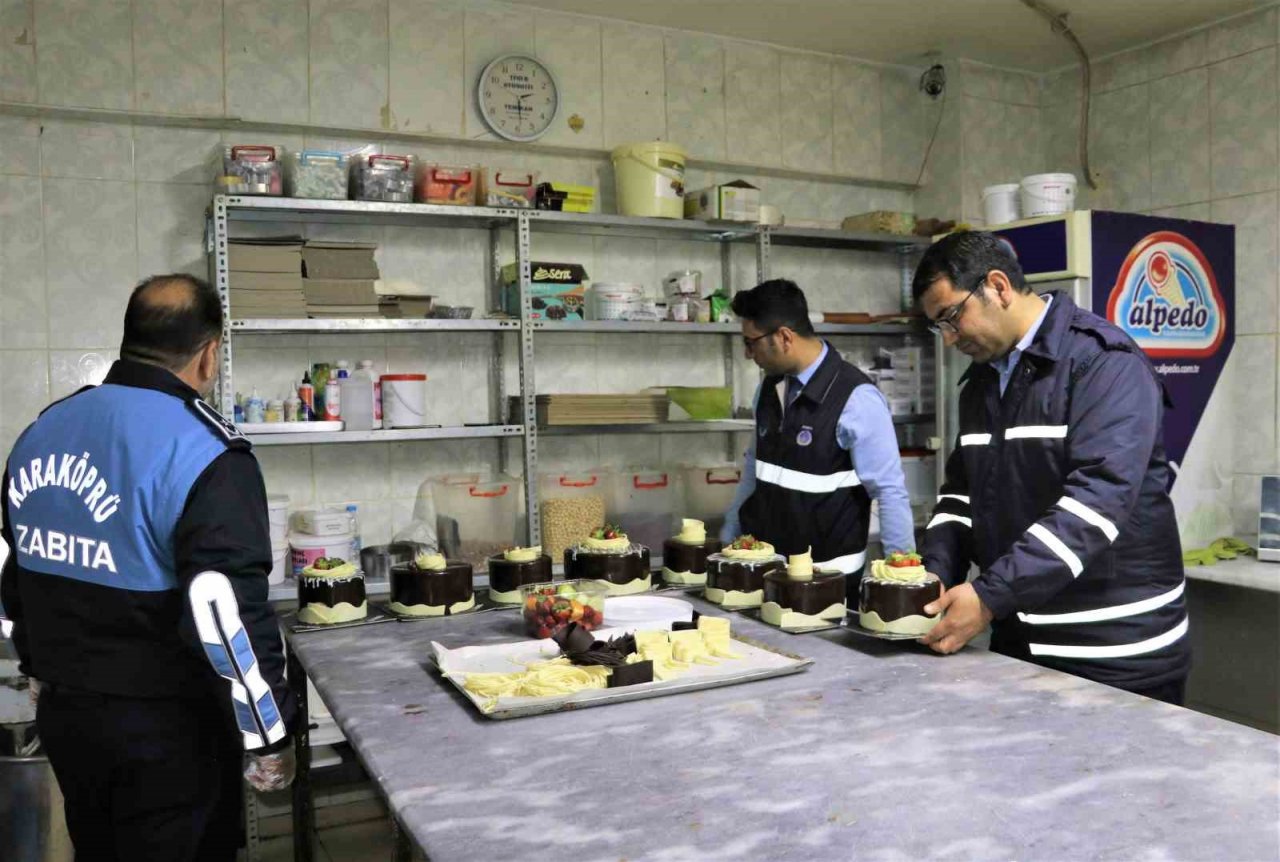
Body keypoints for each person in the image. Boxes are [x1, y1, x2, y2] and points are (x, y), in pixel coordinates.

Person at [1, 274, 298, 860]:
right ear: (210, 353)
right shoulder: (206, 449)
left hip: (66, 715)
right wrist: (270, 735)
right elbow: (227, 614)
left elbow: (14, 566)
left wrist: (35, 667)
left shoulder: (44, 429)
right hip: (167, 733)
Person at [913, 231, 1191, 705]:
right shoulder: (981, 384)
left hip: (1115, 653)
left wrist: (989, 596)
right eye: (940, 327)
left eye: (953, 317)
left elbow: (1095, 504)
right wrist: (934, 575)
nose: (951, 338)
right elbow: (962, 496)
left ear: (998, 286)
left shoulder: (1102, 364)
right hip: (1021, 646)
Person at [722, 279, 916, 600]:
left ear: (784, 337)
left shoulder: (856, 398)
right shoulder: (768, 391)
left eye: (751, 342)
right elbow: (754, 470)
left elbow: (890, 492)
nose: (747, 353)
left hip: (829, 585)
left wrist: (901, 581)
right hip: (768, 576)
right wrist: (730, 537)